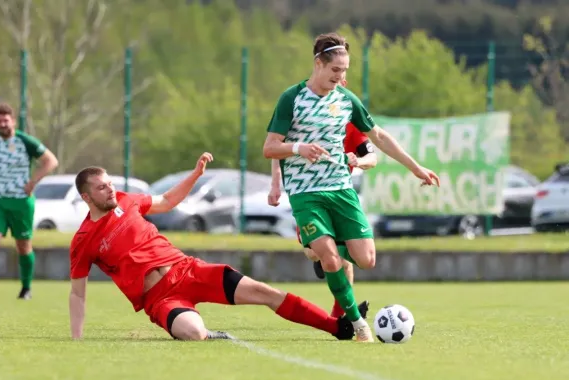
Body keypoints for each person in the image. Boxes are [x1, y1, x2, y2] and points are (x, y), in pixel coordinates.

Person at [68, 153, 366, 341]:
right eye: (101, 187)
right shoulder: (83, 239)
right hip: (159, 299)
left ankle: (336, 327)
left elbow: (167, 201)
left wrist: (195, 175)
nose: (110, 189)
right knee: (194, 333)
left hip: (189, 270)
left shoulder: (125, 200)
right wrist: (77, 338)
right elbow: (77, 292)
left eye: (109, 183)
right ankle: (210, 334)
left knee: (266, 293)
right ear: (86, 197)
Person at [262, 32, 440, 343]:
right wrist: (298, 148)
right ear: (318, 64)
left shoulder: (346, 100)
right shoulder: (292, 98)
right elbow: (269, 148)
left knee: (366, 259)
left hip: (341, 190)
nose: (340, 77)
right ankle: (358, 325)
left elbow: (379, 138)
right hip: (306, 194)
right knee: (332, 260)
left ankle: (318, 241)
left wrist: (416, 168)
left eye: (345, 71)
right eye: (335, 70)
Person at [268, 79, 378, 319]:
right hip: (309, 195)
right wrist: (276, 183)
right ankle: (326, 256)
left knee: (345, 260)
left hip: (339, 195)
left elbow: (372, 157)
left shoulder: (350, 121)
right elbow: (277, 148)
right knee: (315, 253)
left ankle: (341, 317)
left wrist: (358, 161)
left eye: (341, 79)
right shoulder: (305, 114)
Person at [0, 103, 59, 299]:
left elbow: (51, 161)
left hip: (21, 201)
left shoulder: (24, 141)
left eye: (6, 120)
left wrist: (33, 181)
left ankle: (26, 288)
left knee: (23, 245)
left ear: (12, 121)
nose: (3, 124)